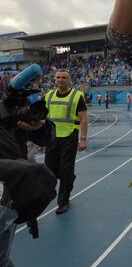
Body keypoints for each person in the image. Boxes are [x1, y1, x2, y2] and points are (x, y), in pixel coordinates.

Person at [44, 70, 88, 214]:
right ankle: (68, 177)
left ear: (69, 80)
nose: (61, 80)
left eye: (64, 77)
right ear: (54, 79)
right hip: (51, 137)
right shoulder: (49, 95)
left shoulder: (77, 96)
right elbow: (44, 118)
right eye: (58, 77)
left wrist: (83, 139)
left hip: (69, 137)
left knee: (66, 169)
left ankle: (63, 202)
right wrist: (40, 139)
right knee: (49, 169)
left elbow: (83, 119)